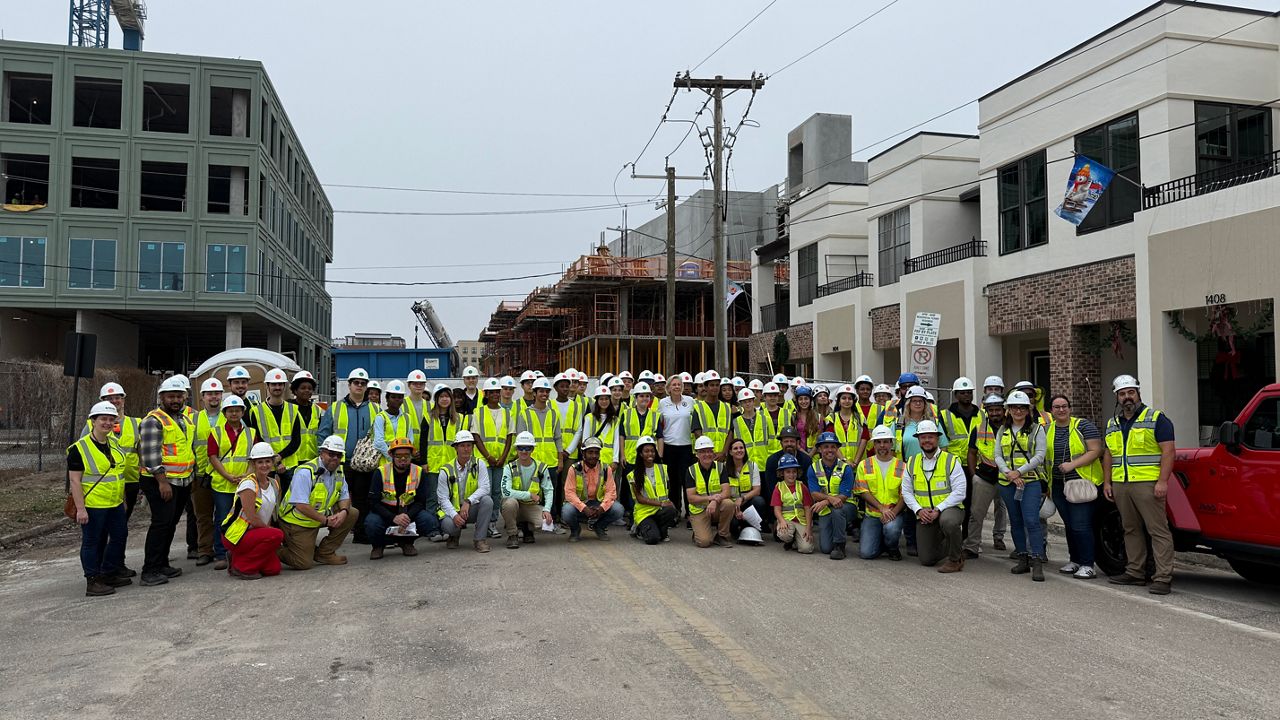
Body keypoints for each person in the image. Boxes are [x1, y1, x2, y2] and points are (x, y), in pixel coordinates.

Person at [1103, 375, 1176, 595]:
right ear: (1117, 396)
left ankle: (1162, 577)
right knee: (1130, 529)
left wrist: (1162, 481)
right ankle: (1135, 572)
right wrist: (1107, 482)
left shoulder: (1156, 418)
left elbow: (1169, 451)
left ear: (1138, 393)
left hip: (1147, 484)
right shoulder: (1112, 423)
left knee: (1158, 530)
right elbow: (1108, 454)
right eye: (1122, 394)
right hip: (1121, 484)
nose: (1127, 397)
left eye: (1131, 392)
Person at [137, 375, 195, 587]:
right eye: (171, 396)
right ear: (162, 397)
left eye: (179, 396)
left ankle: (162, 564)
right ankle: (150, 570)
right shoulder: (153, 421)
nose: (175, 400)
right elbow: (150, 455)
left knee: (170, 523)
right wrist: (162, 482)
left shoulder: (184, 419)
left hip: (181, 481)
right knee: (161, 524)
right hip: (161, 481)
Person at [70, 401, 132, 596]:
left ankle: (108, 571)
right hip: (93, 505)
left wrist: (122, 499)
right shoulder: (79, 448)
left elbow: (118, 475)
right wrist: (80, 509)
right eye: (103, 419)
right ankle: (93, 580)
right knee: (92, 542)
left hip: (114, 503)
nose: (107, 423)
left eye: (111, 419)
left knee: (120, 537)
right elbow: (75, 481)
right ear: (93, 421)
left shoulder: (114, 444)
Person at [277, 434, 360, 569]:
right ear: (321, 453)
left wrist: (344, 512)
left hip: (318, 517)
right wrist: (325, 520)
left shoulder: (339, 471)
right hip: (297, 522)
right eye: (331, 454)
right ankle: (272, 551)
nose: (335, 458)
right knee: (303, 563)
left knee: (352, 513)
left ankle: (324, 553)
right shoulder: (305, 472)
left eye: (338, 455)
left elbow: (344, 497)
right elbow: (301, 505)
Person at [318, 368, 378, 544]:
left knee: (361, 499)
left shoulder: (375, 409)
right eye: (356, 383)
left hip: (364, 464)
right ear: (349, 385)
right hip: (339, 463)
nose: (359, 386)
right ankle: (334, 535)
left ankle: (360, 533)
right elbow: (323, 433)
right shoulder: (335, 408)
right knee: (336, 499)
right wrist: (323, 459)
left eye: (363, 383)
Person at [1047, 394, 1103, 579]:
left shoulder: (1083, 426)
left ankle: (1088, 564)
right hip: (1057, 485)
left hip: (1081, 483)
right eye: (1056, 407)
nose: (1061, 410)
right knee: (1069, 525)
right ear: (1051, 410)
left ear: (1070, 408)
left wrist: (1072, 465)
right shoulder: (1047, 429)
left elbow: (1096, 450)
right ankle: (1075, 560)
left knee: (1081, 525)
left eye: (1064, 406)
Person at [995, 390, 1049, 582]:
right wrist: (1008, 473)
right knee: (1016, 521)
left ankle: (1037, 561)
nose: (1018, 411)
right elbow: (997, 455)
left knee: (1031, 520)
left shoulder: (1037, 429)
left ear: (1028, 409)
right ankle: (1022, 558)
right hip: (1008, 482)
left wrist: (1020, 472)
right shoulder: (1003, 430)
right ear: (1008, 410)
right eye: (1014, 407)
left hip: (1030, 481)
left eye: (1022, 407)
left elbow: (1040, 455)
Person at [902, 420, 966, 572]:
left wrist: (938, 509)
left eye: (930, 437)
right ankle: (953, 544)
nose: (927, 441)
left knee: (949, 522)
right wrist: (918, 510)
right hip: (924, 514)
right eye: (923, 437)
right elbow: (906, 492)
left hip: (949, 509)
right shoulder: (912, 462)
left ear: (938, 438)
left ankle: (955, 559)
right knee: (926, 559)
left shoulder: (951, 460)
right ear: (918, 440)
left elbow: (960, 491)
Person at [219, 442, 285, 580]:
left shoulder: (274, 483)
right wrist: (270, 532)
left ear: (273, 462)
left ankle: (236, 557)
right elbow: (252, 518)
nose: (264, 465)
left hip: (255, 533)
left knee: (273, 569)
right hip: (236, 535)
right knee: (277, 535)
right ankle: (241, 567)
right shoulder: (248, 484)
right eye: (260, 462)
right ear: (253, 464)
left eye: (268, 461)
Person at [367, 438, 439, 559]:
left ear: (411, 456)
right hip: (385, 514)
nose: (403, 459)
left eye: (406, 455)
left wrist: (407, 517)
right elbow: (373, 502)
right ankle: (378, 546)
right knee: (371, 523)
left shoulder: (419, 471)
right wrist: (393, 517)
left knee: (429, 521)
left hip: (408, 514)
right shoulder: (381, 472)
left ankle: (407, 543)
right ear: (391, 456)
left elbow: (421, 502)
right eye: (398, 456)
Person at [208, 395, 257, 571]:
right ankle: (221, 554)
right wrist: (227, 475)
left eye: (237, 410)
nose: (234, 413)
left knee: (243, 518)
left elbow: (254, 457)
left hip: (244, 484)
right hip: (223, 484)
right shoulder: (216, 431)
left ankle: (239, 551)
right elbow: (213, 456)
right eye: (230, 411)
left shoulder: (251, 432)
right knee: (222, 518)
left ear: (243, 412)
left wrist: (247, 475)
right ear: (225, 413)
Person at [83, 382, 142, 522]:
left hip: (130, 480)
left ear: (123, 399)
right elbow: (83, 452)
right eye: (109, 398)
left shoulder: (137, 423)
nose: (114, 401)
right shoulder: (91, 424)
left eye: (117, 397)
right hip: (104, 482)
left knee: (123, 520)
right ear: (102, 401)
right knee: (105, 522)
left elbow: (142, 451)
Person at [181, 378, 222, 567]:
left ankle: (223, 549)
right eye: (210, 394)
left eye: (217, 393)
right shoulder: (193, 420)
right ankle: (205, 550)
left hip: (224, 475)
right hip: (200, 475)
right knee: (203, 516)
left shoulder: (231, 415)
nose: (214, 397)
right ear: (202, 397)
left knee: (224, 514)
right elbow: (187, 447)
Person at [964, 393, 1011, 558]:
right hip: (985, 475)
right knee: (976, 513)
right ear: (986, 411)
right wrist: (973, 474)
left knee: (1007, 511)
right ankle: (972, 546)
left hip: (1008, 476)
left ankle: (1005, 541)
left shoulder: (1012, 427)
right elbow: (971, 452)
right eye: (991, 410)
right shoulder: (979, 429)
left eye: (998, 410)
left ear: (1004, 410)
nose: (995, 413)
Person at [437, 430, 494, 552]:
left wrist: (468, 501)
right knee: (449, 526)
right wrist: (454, 515)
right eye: (462, 445)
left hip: (470, 508)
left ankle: (480, 540)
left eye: (469, 445)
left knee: (487, 501)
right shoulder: (446, 470)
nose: (466, 449)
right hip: (453, 510)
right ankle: (454, 535)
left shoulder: (480, 464)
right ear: (456, 448)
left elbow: (485, 487)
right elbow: (443, 498)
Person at [855, 425, 905, 560]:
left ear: (891, 443)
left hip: (894, 514)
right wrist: (881, 508)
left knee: (892, 529)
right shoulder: (864, 465)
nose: (882, 445)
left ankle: (892, 548)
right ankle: (882, 543)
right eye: (878, 442)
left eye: (885, 441)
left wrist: (891, 513)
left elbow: (904, 495)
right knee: (866, 553)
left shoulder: (902, 466)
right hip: (872, 514)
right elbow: (863, 491)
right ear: (873, 444)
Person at [469, 378, 512, 537]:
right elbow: (476, 436)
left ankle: (492, 523)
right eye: (491, 392)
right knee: (484, 493)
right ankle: (483, 523)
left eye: (497, 392)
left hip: (501, 460)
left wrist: (502, 457)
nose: (495, 394)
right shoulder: (478, 412)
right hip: (483, 460)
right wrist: (488, 456)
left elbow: (509, 437)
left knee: (497, 492)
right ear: (486, 394)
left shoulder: (507, 413)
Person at [500, 431, 555, 549]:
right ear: (516, 449)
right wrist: (529, 495)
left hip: (531, 506)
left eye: (527, 448)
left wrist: (547, 510)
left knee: (544, 524)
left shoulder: (541, 467)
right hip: (515, 506)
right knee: (509, 503)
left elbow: (549, 490)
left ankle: (527, 528)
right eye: (520, 448)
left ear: (532, 449)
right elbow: (506, 492)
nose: (524, 451)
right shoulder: (509, 468)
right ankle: (512, 534)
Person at [562, 437, 623, 541]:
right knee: (567, 511)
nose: (594, 456)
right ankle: (575, 531)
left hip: (598, 504)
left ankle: (599, 527)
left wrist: (601, 508)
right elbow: (569, 493)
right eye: (590, 452)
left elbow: (611, 492)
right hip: (581, 505)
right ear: (583, 454)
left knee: (618, 509)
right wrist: (584, 508)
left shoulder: (605, 469)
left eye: (596, 452)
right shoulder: (574, 469)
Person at [618, 382, 662, 522]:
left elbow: (660, 437)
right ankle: (631, 514)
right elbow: (622, 435)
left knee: (647, 486)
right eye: (641, 396)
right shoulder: (626, 414)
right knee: (631, 488)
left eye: (647, 396)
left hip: (649, 458)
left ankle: (647, 514)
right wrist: (622, 454)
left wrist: (659, 455)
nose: (644, 399)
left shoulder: (655, 415)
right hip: (631, 456)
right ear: (635, 398)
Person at [807, 431, 855, 559]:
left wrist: (825, 501)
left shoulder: (846, 468)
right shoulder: (813, 467)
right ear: (820, 449)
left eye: (833, 446)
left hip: (847, 506)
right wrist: (828, 499)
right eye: (826, 446)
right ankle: (834, 539)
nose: (830, 450)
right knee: (825, 548)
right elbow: (814, 493)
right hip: (826, 509)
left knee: (837, 510)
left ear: (837, 449)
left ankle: (839, 545)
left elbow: (844, 496)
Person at [761, 426, 812, 536]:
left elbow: (808, 488)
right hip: (780, 506)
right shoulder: (772, 461)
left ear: (797, 442)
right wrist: (778, 517)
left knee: (806, 546)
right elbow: (770, 490)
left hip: (801, 507)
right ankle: (776, 523)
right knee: (781, 536)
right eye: (786, 441)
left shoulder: (806, 460)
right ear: (781, 443)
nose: (789, 444)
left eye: (792, 441)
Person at [685, 436, 734, 548]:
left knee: (729, 504)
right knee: (704, 542)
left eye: (709, 451)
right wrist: (710, 498)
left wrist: (715, 501)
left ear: (713, 453)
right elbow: (691, 498)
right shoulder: (691, 470)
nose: (707, 454)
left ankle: (722, 536)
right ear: (697, 454)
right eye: (702, 452)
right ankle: (699, 531)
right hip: (699, 510)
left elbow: (726, 492)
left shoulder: (721, 467)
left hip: (715, 507)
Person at [248, 367, 302, 470]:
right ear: (267, 386)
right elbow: (258, 440)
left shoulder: (293, 409)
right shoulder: (256, 411)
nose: (277, 387)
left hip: (290, 466)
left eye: (280, 384)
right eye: (273, 384)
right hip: (267, 467)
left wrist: (280, 457)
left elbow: (296, 440)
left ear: (285, 386)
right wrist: (275, 462)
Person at [658, 373, 694, 519]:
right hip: (669, 446)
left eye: (679, 384)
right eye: (674, 384)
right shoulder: (663, 403)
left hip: (686, 446)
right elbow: (659, 424)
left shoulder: (691, 401)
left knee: (687, 480)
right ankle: (675, 511)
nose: (677, 387)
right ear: (668, 388)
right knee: (672, 481)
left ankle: (690, 512)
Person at [630, 436, 676, 544]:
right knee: (653, 539)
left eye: (652, 451)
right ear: (640, 454)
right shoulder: (634, 474)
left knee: (671, 510)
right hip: (644, 513)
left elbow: (668, 489)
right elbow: (640, 499)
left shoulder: (662, 469)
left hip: (659, 511)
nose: (650, 454)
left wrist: (669, 503)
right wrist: (661, 503)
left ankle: (660, 530)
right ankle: (639, 529)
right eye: (646, 451)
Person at [571, 385, 621, 478]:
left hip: (609, 459)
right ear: (597, 401)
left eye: (606, 399)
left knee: (607, 488)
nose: (604, 401)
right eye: (601, 399)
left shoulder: (615, 420)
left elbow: (616, 441)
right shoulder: (589, 418)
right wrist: (585, 458)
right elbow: (585, 440)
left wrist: (615, 460)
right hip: (592, 459)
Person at [722, 437, 765, 542]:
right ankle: (735, 529)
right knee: (734, 524)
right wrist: (736, 509)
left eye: (741, 448)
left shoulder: (752, 466)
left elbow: (757, 490)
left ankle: (749, 527)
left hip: (746, 502)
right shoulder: (724, 468)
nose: (739, 450)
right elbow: (724, 493)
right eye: (735, 448)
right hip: (731, 505)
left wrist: (742, 498)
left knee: (759, 501)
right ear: (730, 452)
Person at [771, 454, 815, 553]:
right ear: (782, 473)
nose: (792, 475)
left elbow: (808, 508)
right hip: (787, 520)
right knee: (784, 534)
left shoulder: (802, 487)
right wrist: (781, 521)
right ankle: (790, 539)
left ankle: (796, 541)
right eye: (788, 472)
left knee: (806, 549)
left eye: (794, 471)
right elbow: (776, 510)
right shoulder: (778, 487)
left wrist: (809, 528)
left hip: (801, 521)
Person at [372, 379, 414, 468]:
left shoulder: (407, 418)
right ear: (387, 398)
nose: (397, 400)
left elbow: (410, 441)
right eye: (393, 397)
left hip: (403, 464)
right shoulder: (380, 417)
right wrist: (393, 458)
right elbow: (378, 442)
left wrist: (403, 458)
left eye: (399, 397)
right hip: (385, 463)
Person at [691, 370, 730, 462]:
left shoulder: (727, 407)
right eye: (712, 385)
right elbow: (697, 433)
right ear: (705, 387)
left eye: (717, 385)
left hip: (723, 457)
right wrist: (709, 452)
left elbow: (730, 432)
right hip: (705, 456)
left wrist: (723, 452)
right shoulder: (698, 408)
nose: (715, 388)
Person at [732, 387, 771, 471]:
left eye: (749, 401)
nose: (747, 404)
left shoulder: (765, 419)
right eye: (744, 402)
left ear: (753, 401)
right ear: (740, 404)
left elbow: (772, 442)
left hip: (764, 464)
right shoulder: (736, 422)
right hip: (746, 465)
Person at [290, 371, 322, 465]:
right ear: (295, 390)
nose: (307, 391)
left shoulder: (317, 410)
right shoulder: (288, 408)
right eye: (303, 388)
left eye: (310, 388)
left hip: (313, 457)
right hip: (294, 458)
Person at [402, 369, 431, 454]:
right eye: (415, 383)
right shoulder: (401, 404)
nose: (418, 386)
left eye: (421, 383)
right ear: (409, 385)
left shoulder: (431, 406)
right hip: (407, 450)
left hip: (426, 450)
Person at [792, 386, 821, 454]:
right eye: (800, 399)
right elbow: (793, 437)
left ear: (810, 400)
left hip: (815, 455)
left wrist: (810, 455)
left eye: (806, 399)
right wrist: (803, 454)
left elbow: (819, 438)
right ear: (797, 401)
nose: (803, 401)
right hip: (798, 454)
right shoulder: (793, 416)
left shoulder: (818, 416)